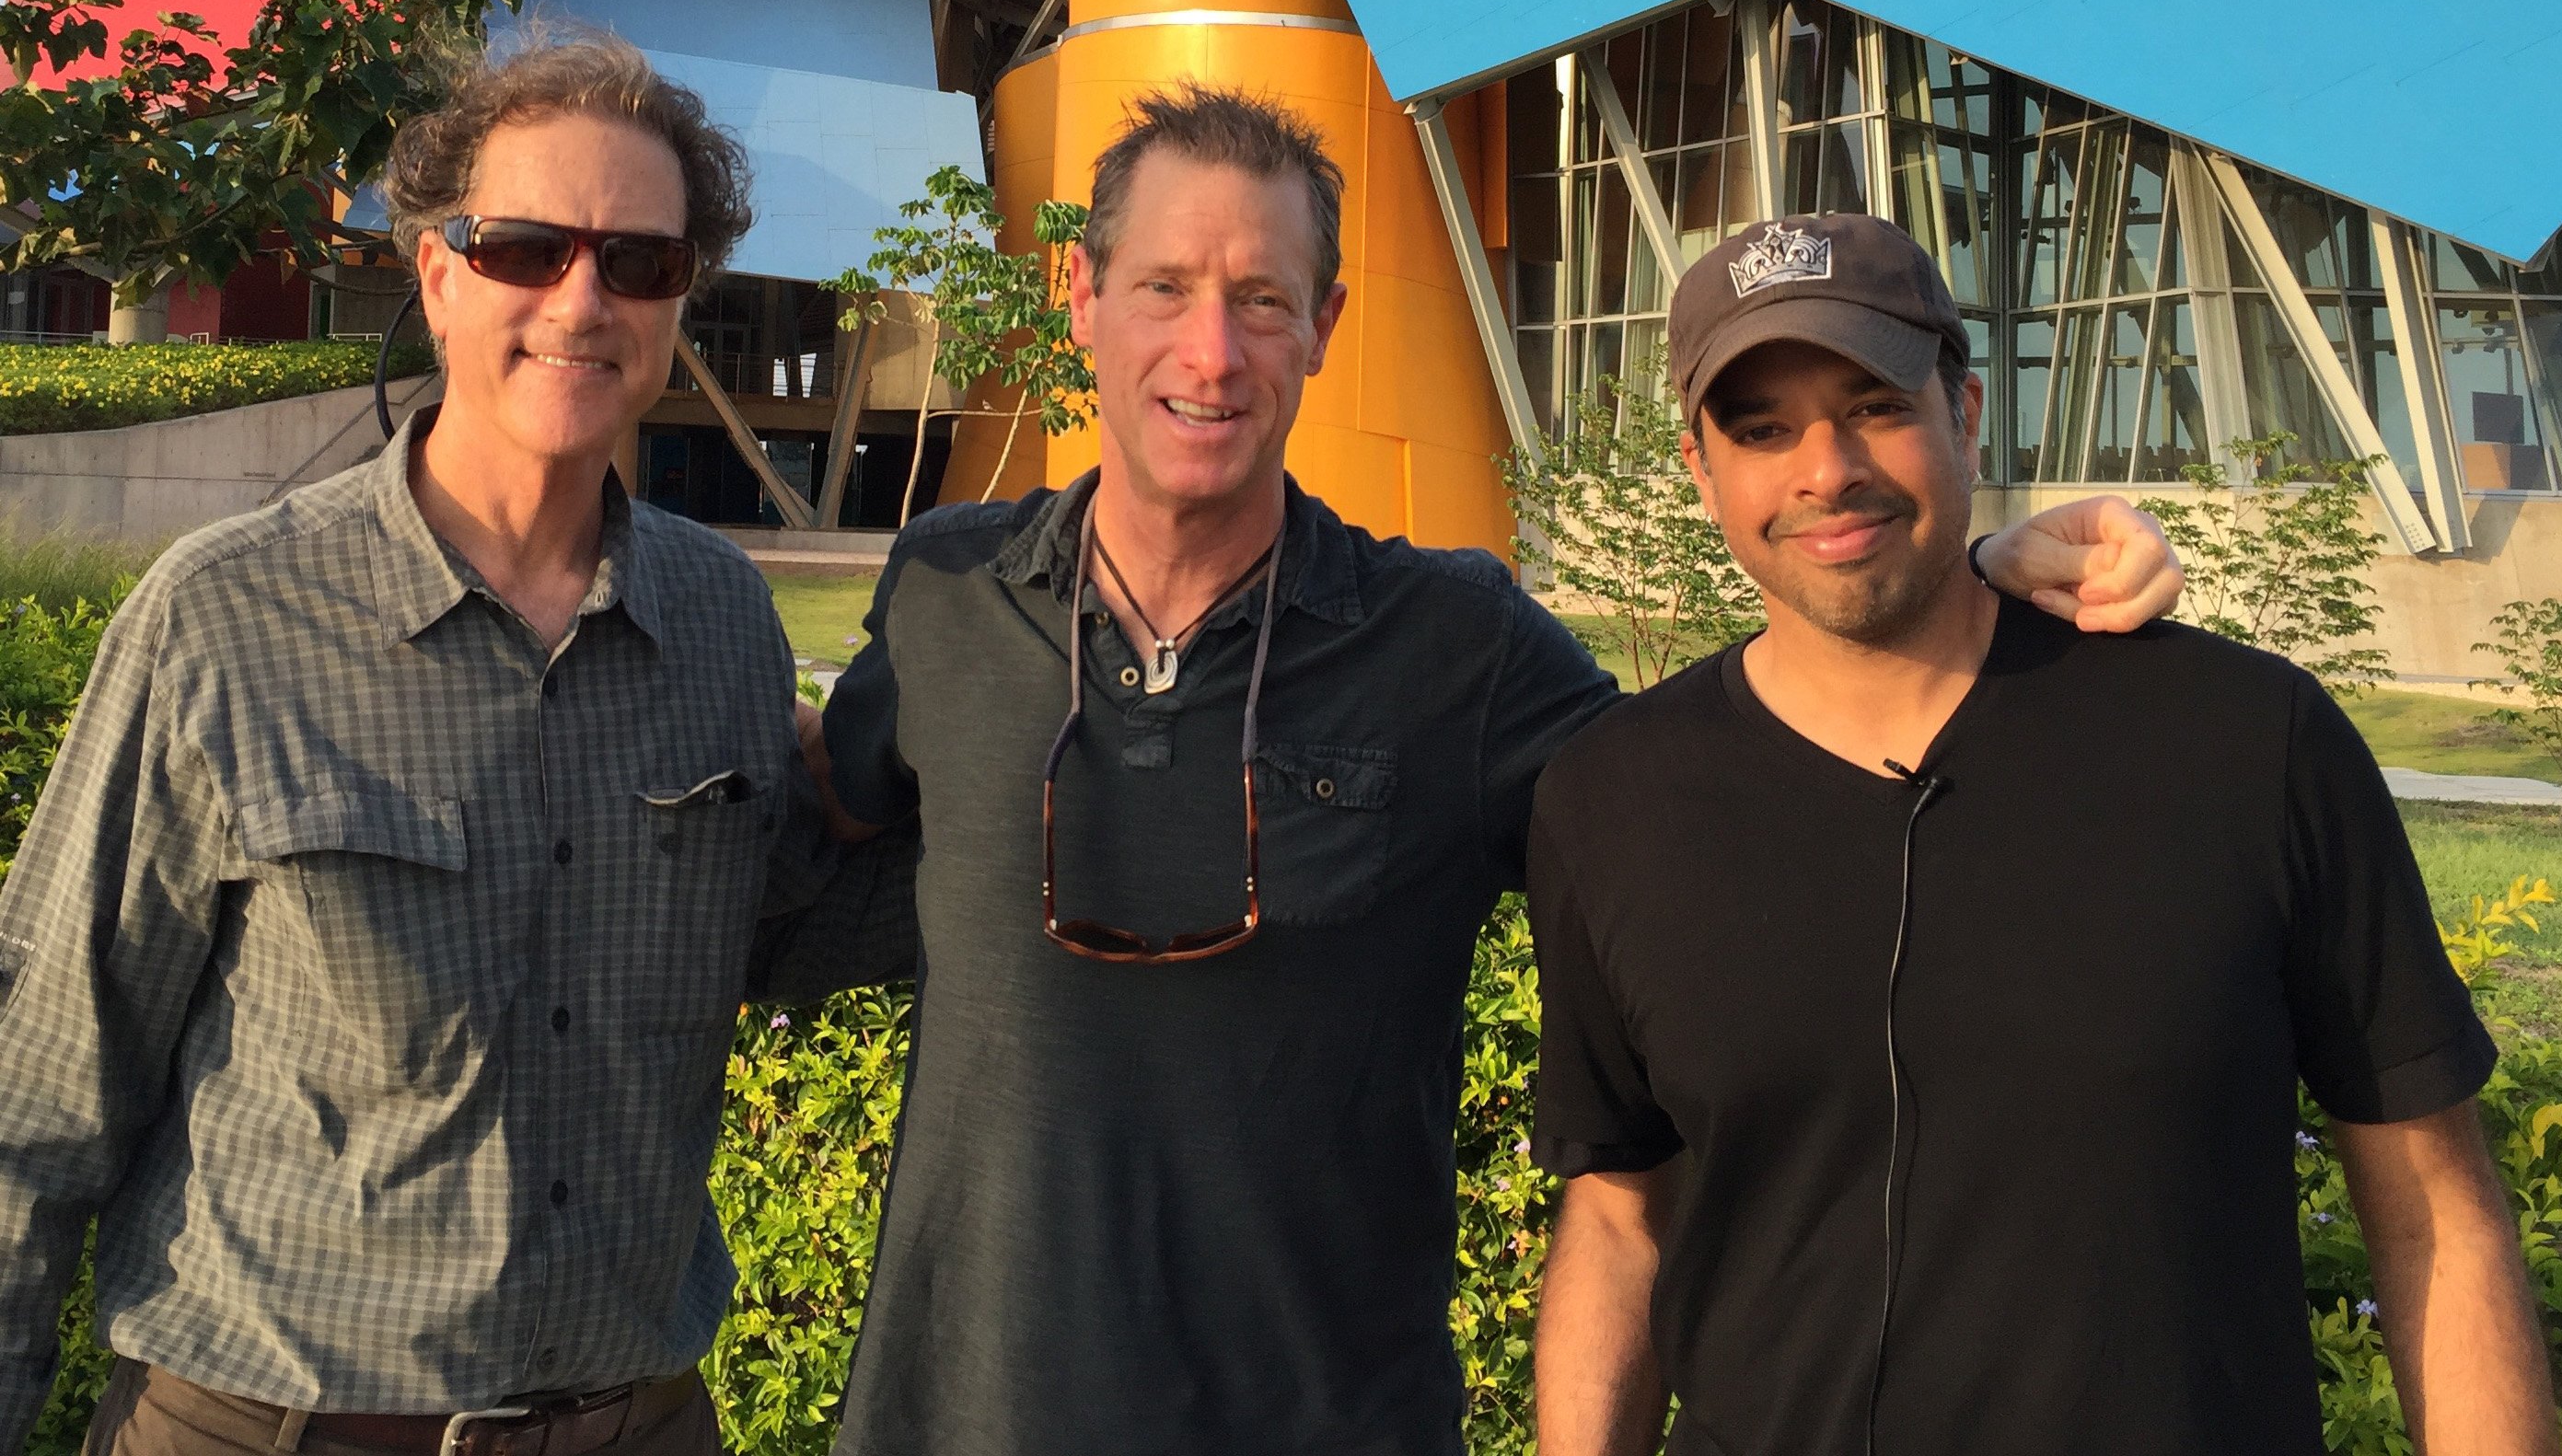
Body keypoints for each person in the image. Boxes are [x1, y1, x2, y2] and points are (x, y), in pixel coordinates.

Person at [814, 86, 2184, 1455]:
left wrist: (1953, 580)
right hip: (955, 1419)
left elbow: (1733, 790)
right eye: (1165, 287)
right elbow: (813, 808)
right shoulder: (947, 593)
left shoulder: (1454, 648)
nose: (1211, 352)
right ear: (1081, 294)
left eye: (1264, 301)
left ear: (1326, 327)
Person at [0, 37, 908, 1456]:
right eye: (525, 249)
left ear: (681, 301)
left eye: (641, 263)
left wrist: (994, 775)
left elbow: (784, 929)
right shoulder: (225, 621)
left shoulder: (722, 623)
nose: (582, 301)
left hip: (638, 1424)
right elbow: (39, 1092)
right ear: (435, 276)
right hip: (272, 1426)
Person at [1526, 213, 2558, 1456]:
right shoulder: (1612, 799)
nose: (1825, 470)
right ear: (1700, 469)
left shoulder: (2241, 742)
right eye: (1761, 430)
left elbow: (2435, 1209)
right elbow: (1619, 1217)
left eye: (1874, 406)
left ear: (1964, 415)